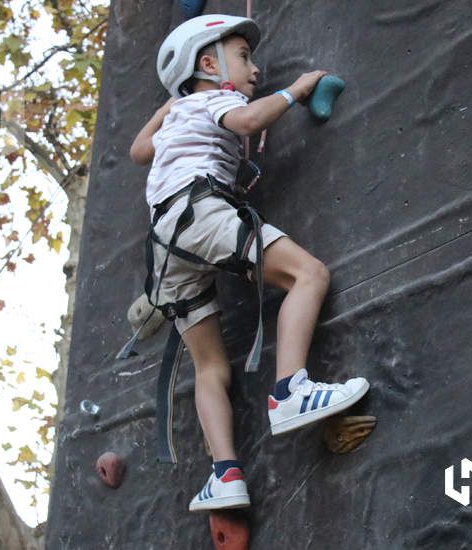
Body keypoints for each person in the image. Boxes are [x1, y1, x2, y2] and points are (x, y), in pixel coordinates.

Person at [129, 14, 369, 513]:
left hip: (165, 245)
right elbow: (248, 121)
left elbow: (136, 151)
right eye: (244, 57)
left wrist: (172, 102)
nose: (255, 70)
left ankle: (225, 473)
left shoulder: (180, 113)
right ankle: (290, 392)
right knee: (309, 275)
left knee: (210, 365)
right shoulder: (219, 98)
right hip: (200, 214)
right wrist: (297, 90)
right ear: (209, 64)